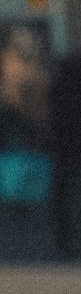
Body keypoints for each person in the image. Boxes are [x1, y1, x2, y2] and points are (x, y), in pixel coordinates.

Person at [48, 48, 81, 258]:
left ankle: (65, 238)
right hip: (71, 144)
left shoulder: (60, 89)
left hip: (63, 146)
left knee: (63, 193)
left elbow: (53, 117)